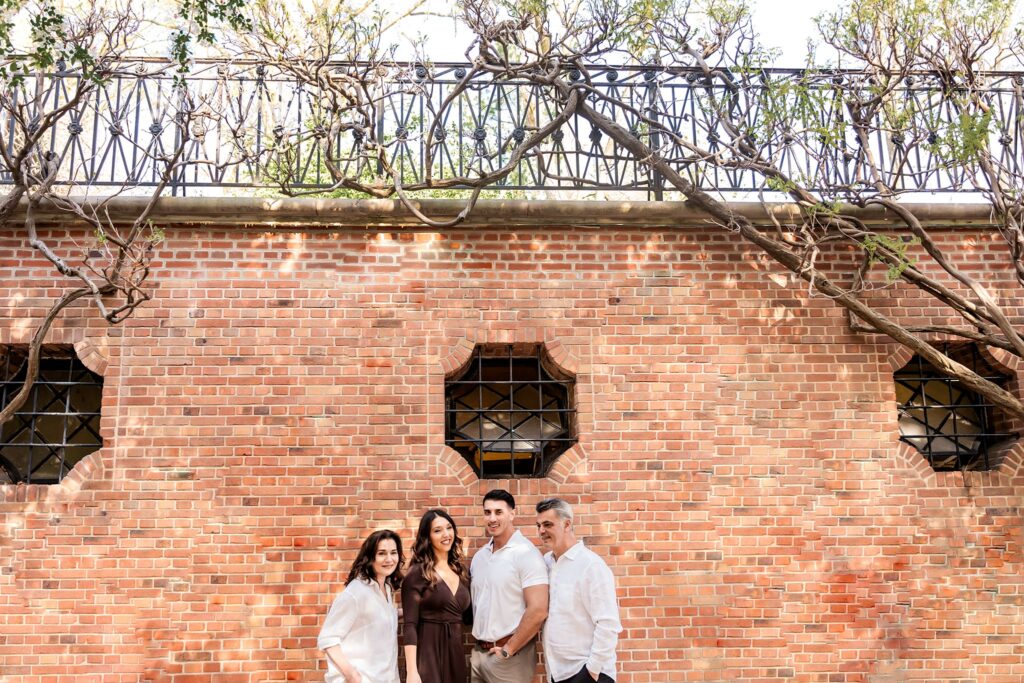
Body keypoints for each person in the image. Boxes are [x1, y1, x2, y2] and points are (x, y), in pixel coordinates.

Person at [535, 498, 622, 683]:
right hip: (558, 674)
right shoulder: (546, 563)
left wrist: (591, 671)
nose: (541, 531)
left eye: (548, 524)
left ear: (567, 524)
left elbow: (608, 624)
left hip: (588, 674)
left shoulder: (591, 565)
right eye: (539, 525)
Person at [469, 489, 549, 683]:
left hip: (509, 657)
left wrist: (508, 650)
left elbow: (538, 610)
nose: (492, 518)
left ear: (512, 514)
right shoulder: (480, 557)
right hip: (479, 655)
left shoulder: (526, 554)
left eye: (498, 512)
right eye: (487, 512)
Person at [317, 530, 404, 683]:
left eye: (393, 552)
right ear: (370, 558)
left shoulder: (387, 588)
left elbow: (380, 616)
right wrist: (352, 676)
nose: (389, 559)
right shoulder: (356, 593)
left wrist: (410, 612)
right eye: (382, 553)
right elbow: (328, 639)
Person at [403, 509, 473, 683]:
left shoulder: (461, 572)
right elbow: (410, 625)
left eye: (449, 528)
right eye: (437, 530)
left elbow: (470, 617)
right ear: (428, 537)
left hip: (455, 654)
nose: (446, 534)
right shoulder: (417, 572)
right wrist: (412, 672)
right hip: (428, 654)